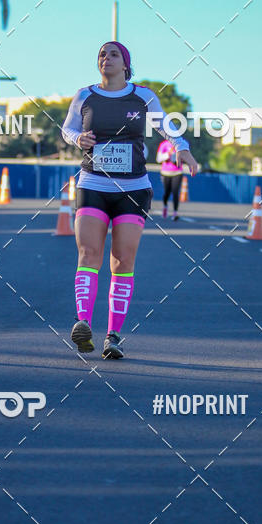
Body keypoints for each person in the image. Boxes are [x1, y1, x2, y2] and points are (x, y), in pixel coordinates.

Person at [61, 41, 198, 359]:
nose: (105, 58)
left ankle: (113, 336)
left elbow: (168, 128)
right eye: (101, 54)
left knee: (122, 261)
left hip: (133, 190)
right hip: (93, 183)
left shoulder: (144, 96)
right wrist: (78, 137)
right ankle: (83, 323)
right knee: (88, 253)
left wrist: (183, 149)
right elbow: (67, 129)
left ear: (126, 64)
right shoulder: (84, 95)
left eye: (113, 54)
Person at [156, 138, 184, 220]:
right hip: (166, 172)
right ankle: (165, 206)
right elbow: (158, 159)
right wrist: (168, 154)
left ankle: (175, 213)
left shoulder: (180, 144)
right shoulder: (164, 144)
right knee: (167, 192)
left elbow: (184, 156)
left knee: (175, 192)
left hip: (177, 172)